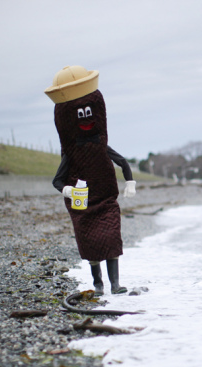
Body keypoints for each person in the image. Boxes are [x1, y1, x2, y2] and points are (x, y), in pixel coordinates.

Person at [45, 65, 136, 296]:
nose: (85, 118)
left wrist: (130, 181)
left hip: (105, 200)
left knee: (111, 237)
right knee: (90, 244)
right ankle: (98, 285)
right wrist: (68, 191)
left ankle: (115, 285)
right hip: (82, 206)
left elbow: (122, 161)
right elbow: (57, 181)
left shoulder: (100, 145)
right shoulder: (71, 153)